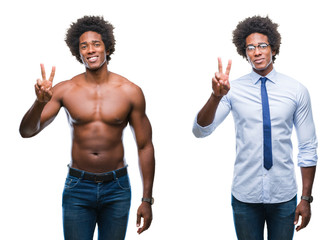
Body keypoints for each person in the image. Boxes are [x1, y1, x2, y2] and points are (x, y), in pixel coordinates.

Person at [19, 15, 155, 240]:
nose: (90, 50)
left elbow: (145, 145)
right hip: (78, 187)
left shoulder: (130, 91)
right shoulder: (65, 90)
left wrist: (147, 199)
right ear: (78, 52)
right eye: (84, 46)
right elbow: (27, 131)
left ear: (107, 47)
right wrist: (40, 102)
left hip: (117, 188)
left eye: (96, 44)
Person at [192, 16, 317, 240]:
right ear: (245, 52)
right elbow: (200, 130)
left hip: (284, 196)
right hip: (245, 196)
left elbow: (308, 146)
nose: (257, 52)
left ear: (274, 48)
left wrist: (306, 198)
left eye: (262, 46)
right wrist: (215, 97)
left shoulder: (296, 90)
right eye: (250, 47)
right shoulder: (232, 90)